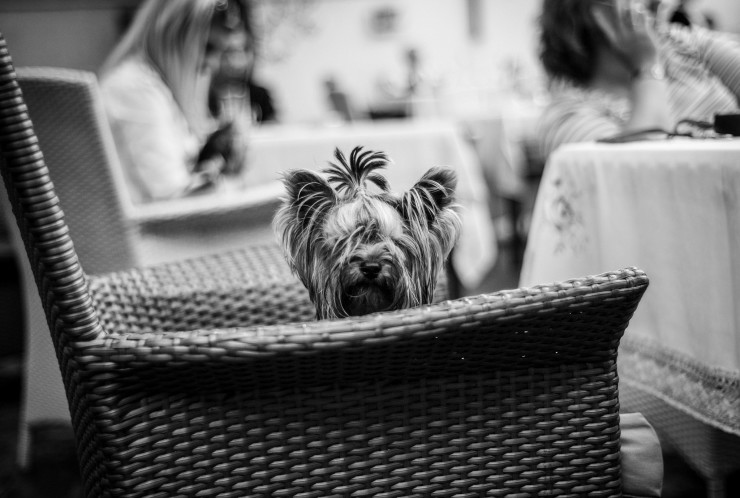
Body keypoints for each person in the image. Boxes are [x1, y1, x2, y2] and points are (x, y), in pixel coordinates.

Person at [535, 0, 740, 161]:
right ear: (595, 14)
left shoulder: (687, 44)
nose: (661, 5)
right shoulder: (567, 117)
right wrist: (647, 66)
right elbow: (645, 175)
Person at [99, 0, 253, 203]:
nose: (213, 64)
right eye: (207, 47)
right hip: (147, 231)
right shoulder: (136, 88)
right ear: (172, 34)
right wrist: (225, 181)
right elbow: (172, 197)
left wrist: (209, 155)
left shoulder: (151, 85)